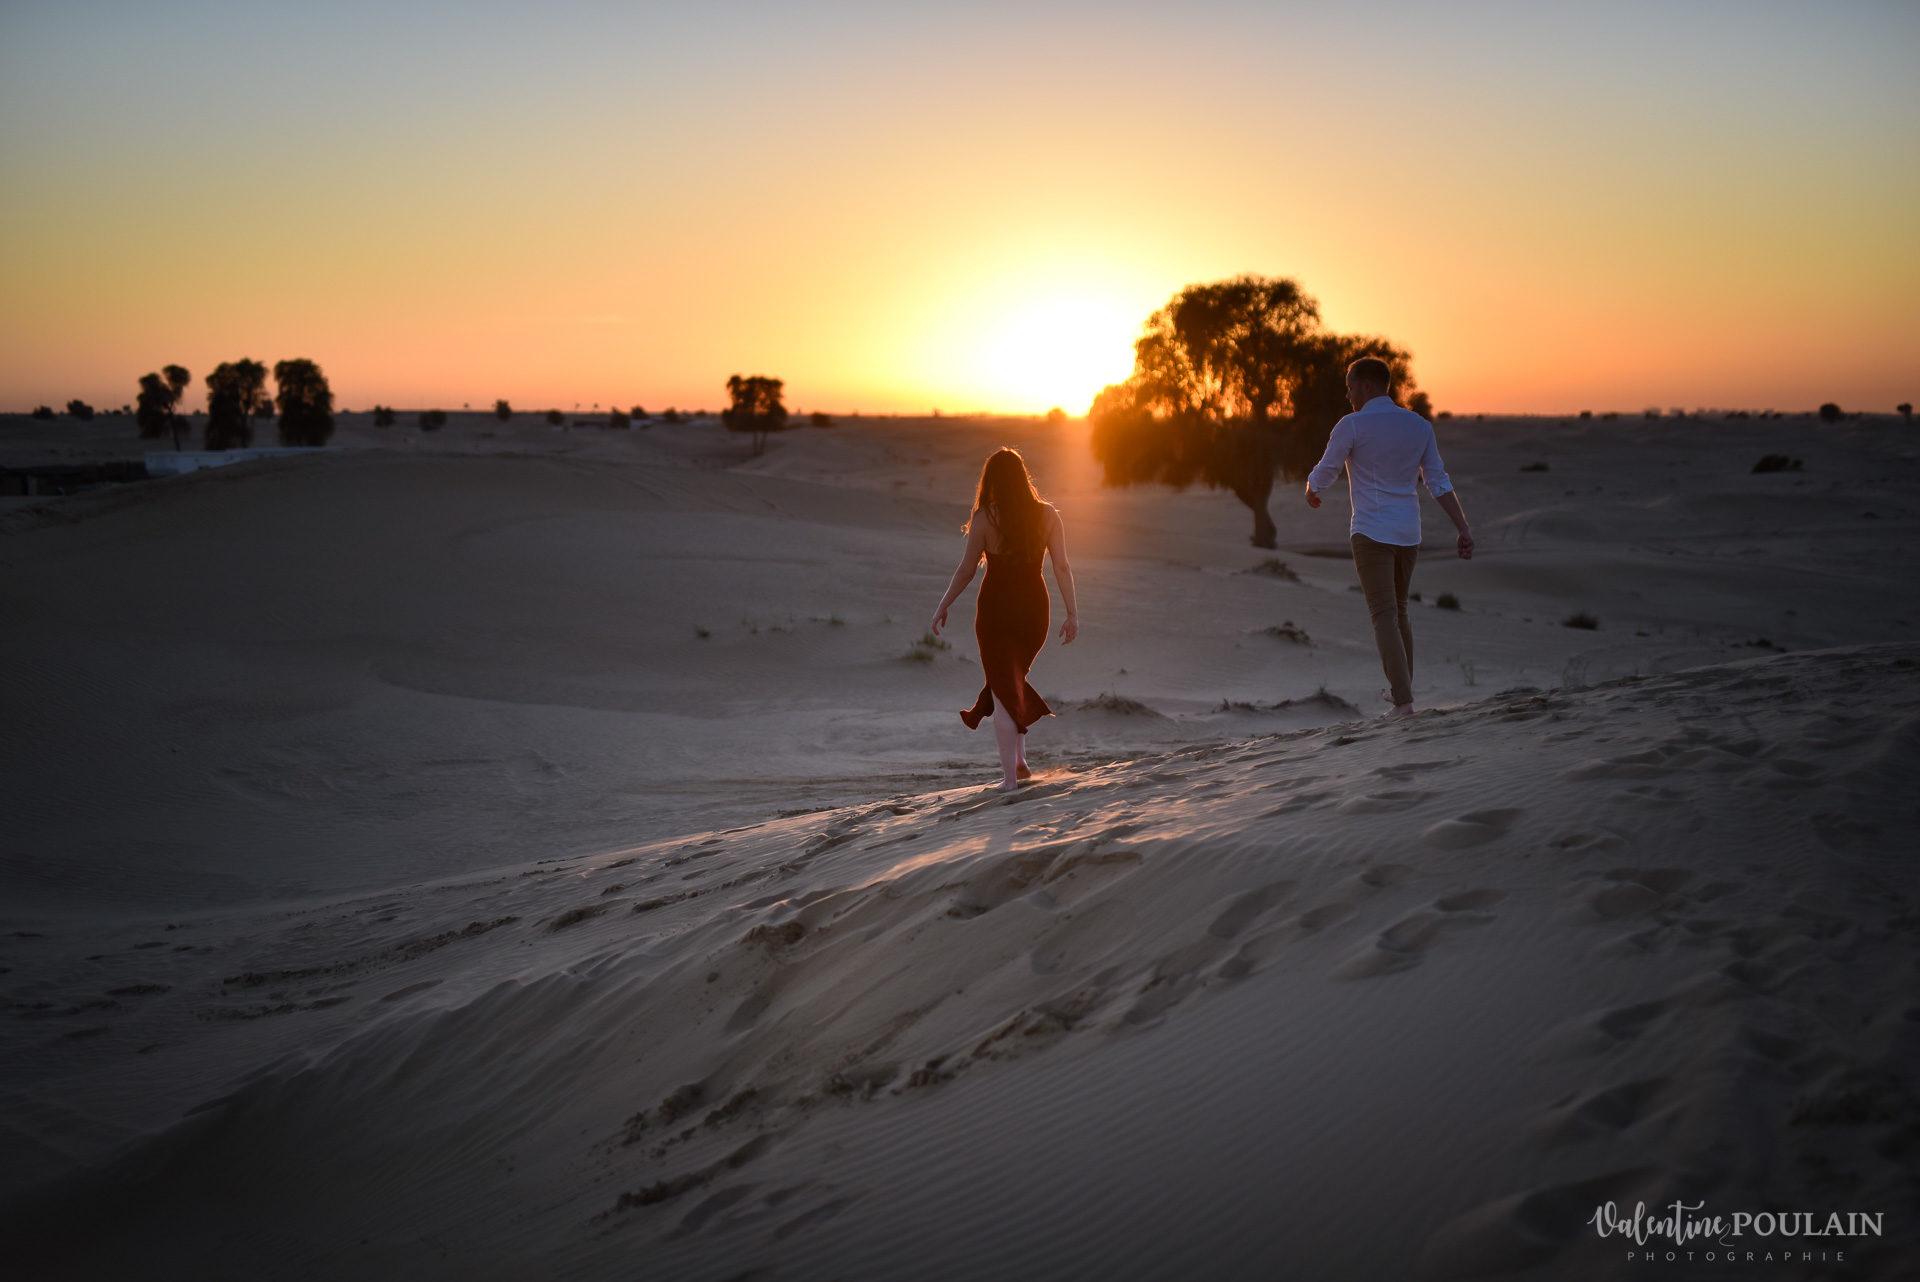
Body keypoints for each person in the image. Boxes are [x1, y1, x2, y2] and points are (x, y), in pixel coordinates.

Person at [1304, 356, 1473, 718]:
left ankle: (1403, 702)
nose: (1348, 394)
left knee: (1383, 614)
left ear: (1367, 386)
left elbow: (1329, 467)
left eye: (1350, 386)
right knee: (1398, 612)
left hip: (1370, 532)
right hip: (1409, 533)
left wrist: (1311, 487)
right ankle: (1402, 692)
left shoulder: (1352, 425)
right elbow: (1438, 482)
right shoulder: (1418, 426)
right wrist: (1462, 526)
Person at [931, 447, 1079, 790]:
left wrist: (943, 604)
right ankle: (1020, 761)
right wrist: (1072, 613)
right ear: (1023, 477)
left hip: (996, 612)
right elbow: (1062, 566)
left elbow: (967, 569)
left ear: (993, 481)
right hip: (1033, 614)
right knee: (1010, 681)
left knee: (1002, 691)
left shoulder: (985, 518)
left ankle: (1010, 784)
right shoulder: (1048, 516)